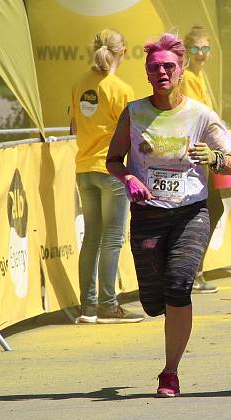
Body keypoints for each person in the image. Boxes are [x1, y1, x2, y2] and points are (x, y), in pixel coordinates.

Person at [105, 33, 231, 397]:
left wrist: (214, 159)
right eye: (154, 68)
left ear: (180, 70)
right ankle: (161, 308)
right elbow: (113, 160)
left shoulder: (200, 115)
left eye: (168, 66)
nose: (161, 72)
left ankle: (170, 372)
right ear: (147, 74)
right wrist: (129, 178)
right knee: (153, 302)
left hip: (190, 212)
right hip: (148, 214)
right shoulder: (134, 112)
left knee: (179, 285)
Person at [70, 29, 142, 324]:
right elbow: (133, 136)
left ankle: (88, 308)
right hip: (111, 171)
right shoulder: (121, 89)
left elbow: (73, 125)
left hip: (84, 168)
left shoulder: (77, 85)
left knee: (91, 239)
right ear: (122, 52)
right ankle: (109, 306)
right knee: (112, 240)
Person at [181, 25, 220, 294]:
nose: (202, 53)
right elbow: (195, 116)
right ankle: (192, 272)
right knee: (205, 209)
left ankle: (195, 271)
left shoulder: (199, 76)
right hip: (191, 153)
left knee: (208, 209)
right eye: (196, 49)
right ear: (187, 51)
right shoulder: (186, 77)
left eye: (206, 48)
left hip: (202, 153)